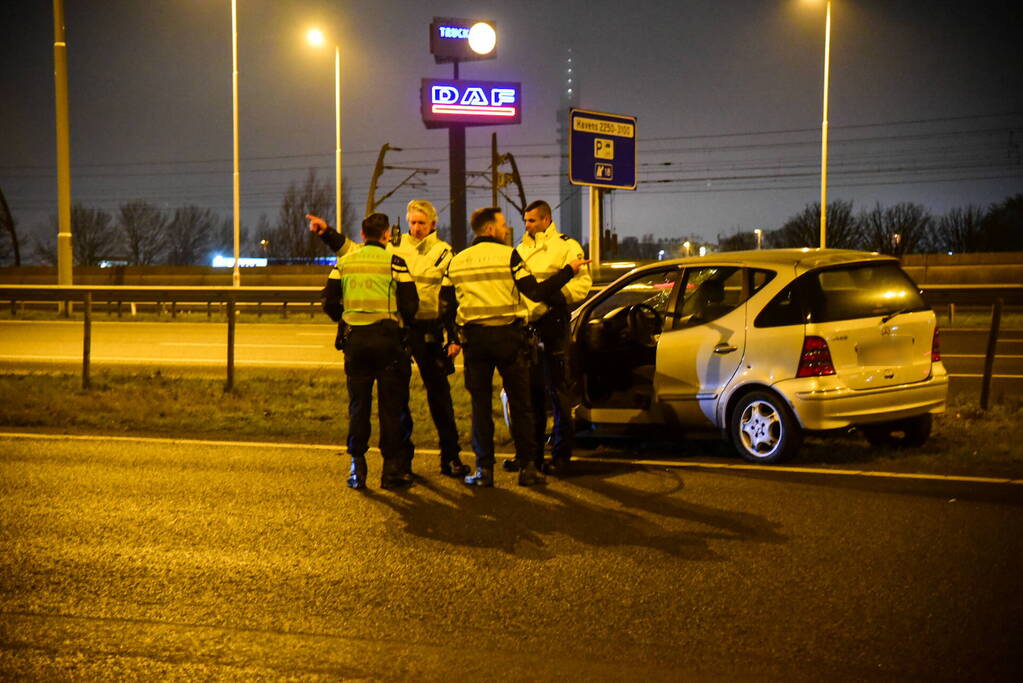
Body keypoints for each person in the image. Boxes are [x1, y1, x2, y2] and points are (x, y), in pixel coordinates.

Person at [445, 207, 589, 487]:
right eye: (501, 224)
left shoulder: (458, 260)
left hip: (474, 341)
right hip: (508, 339)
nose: (506, 228)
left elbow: (447, 304)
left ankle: (484, 471)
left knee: (481, 407)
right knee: (522, 404)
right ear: (489, 229)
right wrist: (567, 272)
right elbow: (535, 291)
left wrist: (454, 335)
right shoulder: (510, 255)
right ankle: (528, 469)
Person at [318, 212, 418, 490]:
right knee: (391, 408)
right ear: (387, 235)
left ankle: (357, 467)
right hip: (388, 343)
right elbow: (411, 305)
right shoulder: (395, 262)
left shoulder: (345, 262)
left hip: (356, 342)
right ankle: (391, 471)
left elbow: (328, 301)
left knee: (358, 407)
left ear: (362, 235)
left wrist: (345, 316)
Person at [508, 200, 592, 475]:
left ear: (546, 219)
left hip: (553, 323)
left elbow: (581, 285)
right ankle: (530, 457)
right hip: (527, 327)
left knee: (559, 393)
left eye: (532, 220)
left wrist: (552, 299)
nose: (527, 225)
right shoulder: (520, 249)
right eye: (525, 221)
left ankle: (560, 456)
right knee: (529, 396)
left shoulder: (567, 246)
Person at [389, 200, 469, 478]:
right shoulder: (395, 249)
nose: (416, 228)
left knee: (440, 397)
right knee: (398, 397)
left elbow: (451, 299)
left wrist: (453, 337)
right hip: (402, 330)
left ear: (433, 224)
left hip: (431, 330)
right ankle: (402, 460)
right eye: (412, 222)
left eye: (421, 223)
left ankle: (451, 456)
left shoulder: (444, 252)